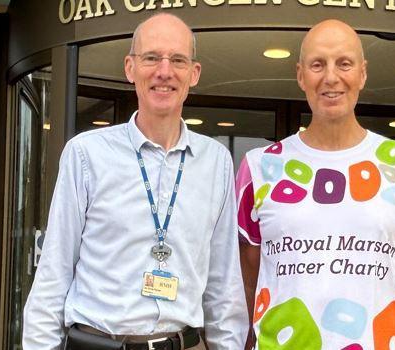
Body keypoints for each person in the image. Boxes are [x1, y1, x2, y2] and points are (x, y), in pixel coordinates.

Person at [23, 13, 248, 350]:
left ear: (194, 73)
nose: (164, 71)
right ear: (130, 68)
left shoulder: (216, 162)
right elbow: (54, 274)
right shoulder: (86, 154)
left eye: (178, 60)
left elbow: (224, 285)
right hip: (99, 342)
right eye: (151, 58)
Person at [236, 19, 395, 350]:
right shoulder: (259, 166)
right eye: (317, 64)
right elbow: (245, 277)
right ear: (300, 75)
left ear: (363, 74)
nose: (331, 77)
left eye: (344, 63)